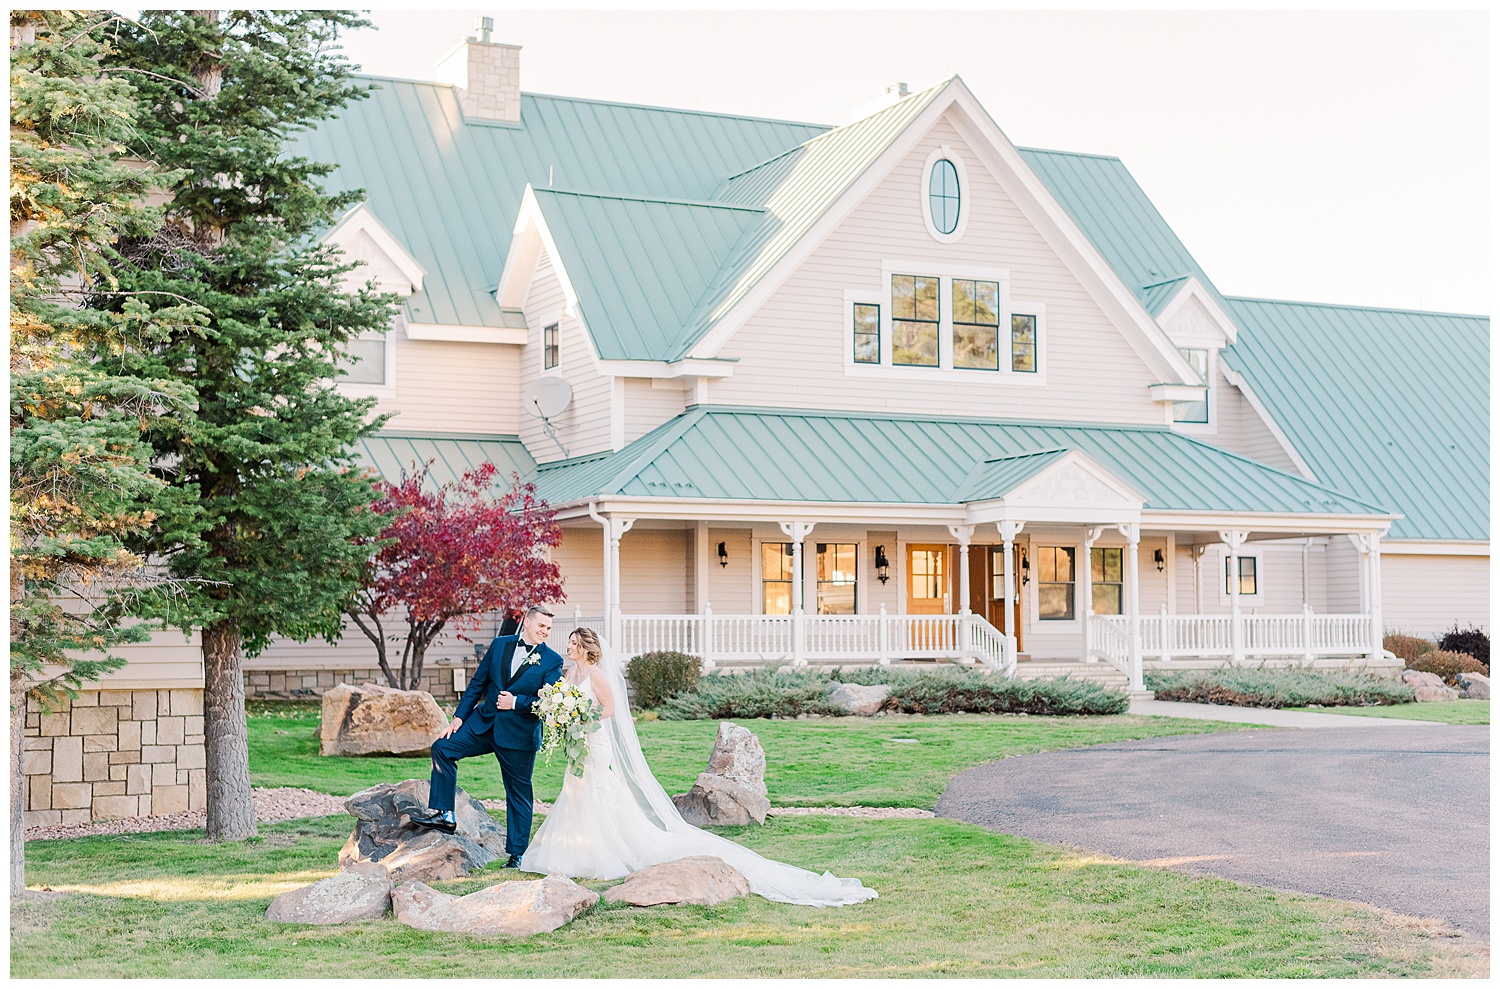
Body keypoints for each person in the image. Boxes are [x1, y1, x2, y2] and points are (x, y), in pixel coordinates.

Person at [519, 627, 877, 907]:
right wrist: (562, 715)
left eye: (571, 642)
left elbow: (608, 709)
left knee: (597, 789)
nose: (567, 647)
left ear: (584, 646)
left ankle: (604, 849)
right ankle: (574, 848)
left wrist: (582, 716)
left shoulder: (597, 675)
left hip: (596, 741)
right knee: (575, 787)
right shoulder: (570, 674)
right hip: (578, 741)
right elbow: (562, 702)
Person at [411, 604, 564, 868]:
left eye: (548, 628)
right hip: (483, 723)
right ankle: (445, 814)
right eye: (541, 626)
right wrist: (458, 718)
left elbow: (550, 702)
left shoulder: (552, 661)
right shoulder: (499, 645)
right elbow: (477, 684)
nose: (545, 632)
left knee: (518, 793)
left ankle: (517, 855)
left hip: (519, 734)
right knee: (442, 748)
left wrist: (516, 702)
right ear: (526, 622)